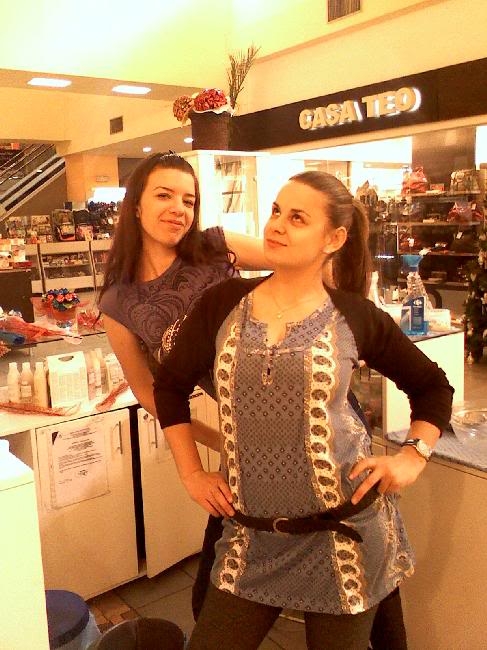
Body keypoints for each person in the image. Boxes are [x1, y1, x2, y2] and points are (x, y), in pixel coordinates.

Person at [153, 171, 454, 650]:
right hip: (251, 537)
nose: (277, 225)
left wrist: (413, 456)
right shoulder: (223, 303)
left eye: (297, 218)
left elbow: (432, 385)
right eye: (276, 211)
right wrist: (191, 473)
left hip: (344, 536)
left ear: (333, 239)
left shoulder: (354, 316)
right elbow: (169, 386)